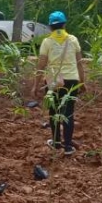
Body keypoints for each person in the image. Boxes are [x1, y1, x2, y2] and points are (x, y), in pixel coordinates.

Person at [34, 10, 85, 155]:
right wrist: (83, 81)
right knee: (68, 113)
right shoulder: (73, 40)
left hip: (54, 81)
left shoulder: (47, 42)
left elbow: (41, 65)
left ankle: (56, 142)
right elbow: (80, 63)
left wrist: (35, 85)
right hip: (72, 80)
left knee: (53, 111)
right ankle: (68, 146)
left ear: (50, 27)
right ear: (64, 25)